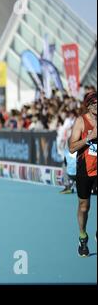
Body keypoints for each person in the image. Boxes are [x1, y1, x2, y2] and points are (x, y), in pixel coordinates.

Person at [68, 91, 97, 257]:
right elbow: (71, 148)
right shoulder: (81, 121)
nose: (97, 106)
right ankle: (83, 237)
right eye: (94, 104)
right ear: (88, 106)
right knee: (84, 206)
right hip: (85, 169)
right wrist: (89, 137)